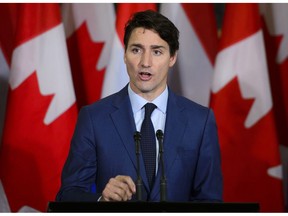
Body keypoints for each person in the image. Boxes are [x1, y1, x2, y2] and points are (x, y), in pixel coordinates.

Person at [56, 9, 222, 202]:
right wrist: (102, 200)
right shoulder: (94, 118)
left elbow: (210, 202)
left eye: (157, 52)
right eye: (136, 50)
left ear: (172, 58)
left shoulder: (200, 122)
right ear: (125, 54)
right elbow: (67, 196)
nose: (145, 62)